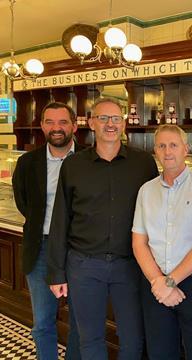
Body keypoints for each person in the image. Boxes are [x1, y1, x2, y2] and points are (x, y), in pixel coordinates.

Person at [46, 97, 159, 360]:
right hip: (84, 265)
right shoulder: (73, 165)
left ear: (124, 124)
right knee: (90, 339)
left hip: (130, 265)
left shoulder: (143, 164)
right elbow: (61, 219)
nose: (110, 124)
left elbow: (157, 212)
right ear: (91, 123)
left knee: (133, 340)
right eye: (104, 118)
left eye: (116, 119)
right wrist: (56, 272)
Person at [132, 124, 192, 360]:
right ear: (155, 151)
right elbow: (139, 243)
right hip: (155, 283)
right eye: (162, 146)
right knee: (160, 351)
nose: (168, 151)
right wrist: (158, 281)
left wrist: (170, 282)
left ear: (186, 149)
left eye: (173, 145)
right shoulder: (146, 191)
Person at [12, 102, 82, 360]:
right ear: (42, 126)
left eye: (63, 122)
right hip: (40, 248)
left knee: (80, 322)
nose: (57, 128)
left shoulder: (90, 159)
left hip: (80, 250)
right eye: (50, 122)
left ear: (74, 126)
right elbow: (23, 202)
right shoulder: (28, 163)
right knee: (42, 321)